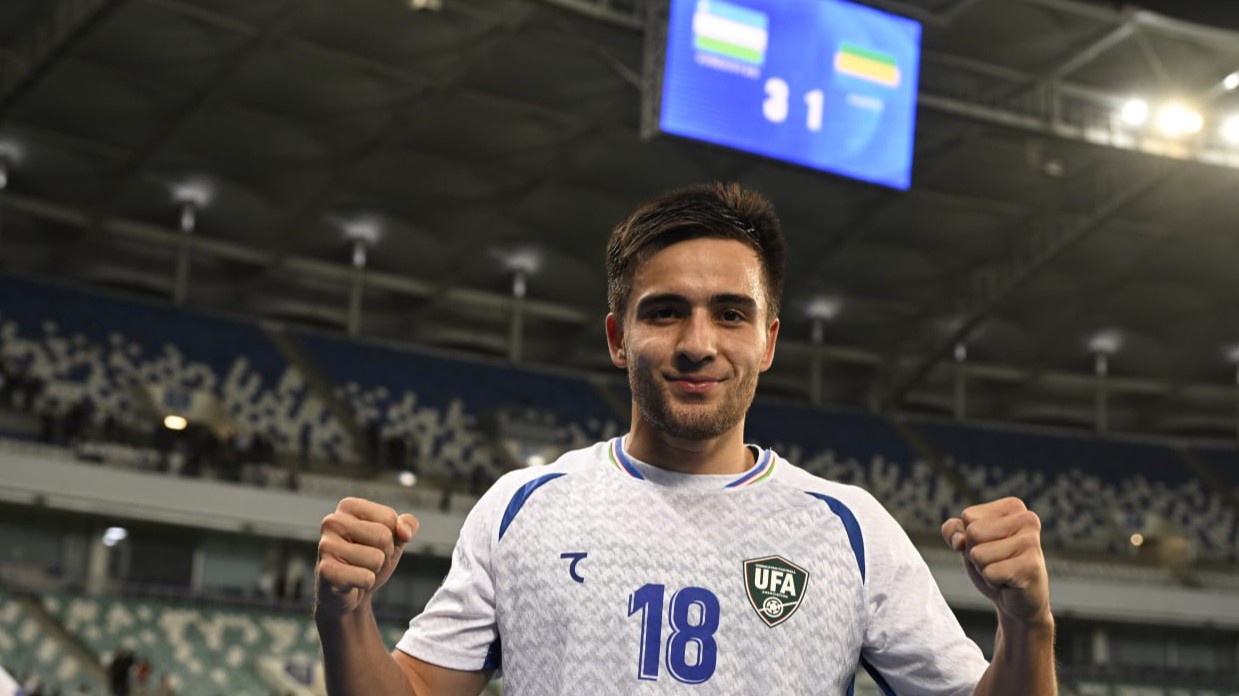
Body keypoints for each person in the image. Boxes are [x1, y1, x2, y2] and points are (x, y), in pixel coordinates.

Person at [315, 182, 1056, 695]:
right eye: (666, 311)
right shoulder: (524, 508)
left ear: (767, 341)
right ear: (618, 337)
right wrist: (344, 617)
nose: (698, 344)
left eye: (730, 314)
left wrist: (1029, 629)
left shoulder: (849, 529)